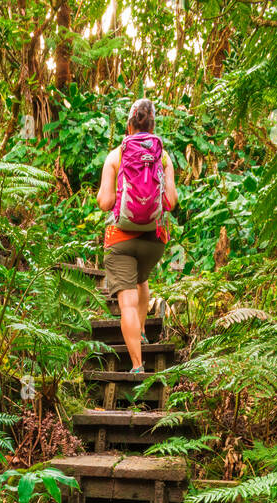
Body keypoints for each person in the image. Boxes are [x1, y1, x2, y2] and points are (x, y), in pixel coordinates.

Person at [96, 98, 177, 374]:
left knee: (127, 300)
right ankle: (142, 330)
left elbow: (105, 202)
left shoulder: (116, 155)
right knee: (141, 280)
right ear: (153, 126)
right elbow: (172, 201)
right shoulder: (162, 155)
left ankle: (137, 365)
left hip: (121, 239)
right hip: (154, 240)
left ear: (129, 125)